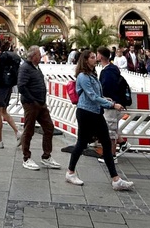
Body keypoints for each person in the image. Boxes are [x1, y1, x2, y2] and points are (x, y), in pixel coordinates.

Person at [65, 49, 133, 190]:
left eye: (94, 57)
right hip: (86, 112)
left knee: (106, 143)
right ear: (85, 60)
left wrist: (106, 99)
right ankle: (70, 172)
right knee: (82, 143)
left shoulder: (92, 75)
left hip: (95, 112)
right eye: (91, 57)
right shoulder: (83, 76)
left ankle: (115, 179)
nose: (95, 59)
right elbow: (92, 96)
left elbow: (97, 95)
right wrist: (112, 105)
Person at [18, 46, 61, 171]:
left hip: (40, 103)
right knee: (29, 130)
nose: (41, 56)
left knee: (49, 127)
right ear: (33, 56)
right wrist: (32, 100)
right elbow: (21, 86)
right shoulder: (25, 68)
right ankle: (26, 157)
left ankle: (46, 156)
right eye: (38, 54)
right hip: (31, 104)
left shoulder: (36, 67)